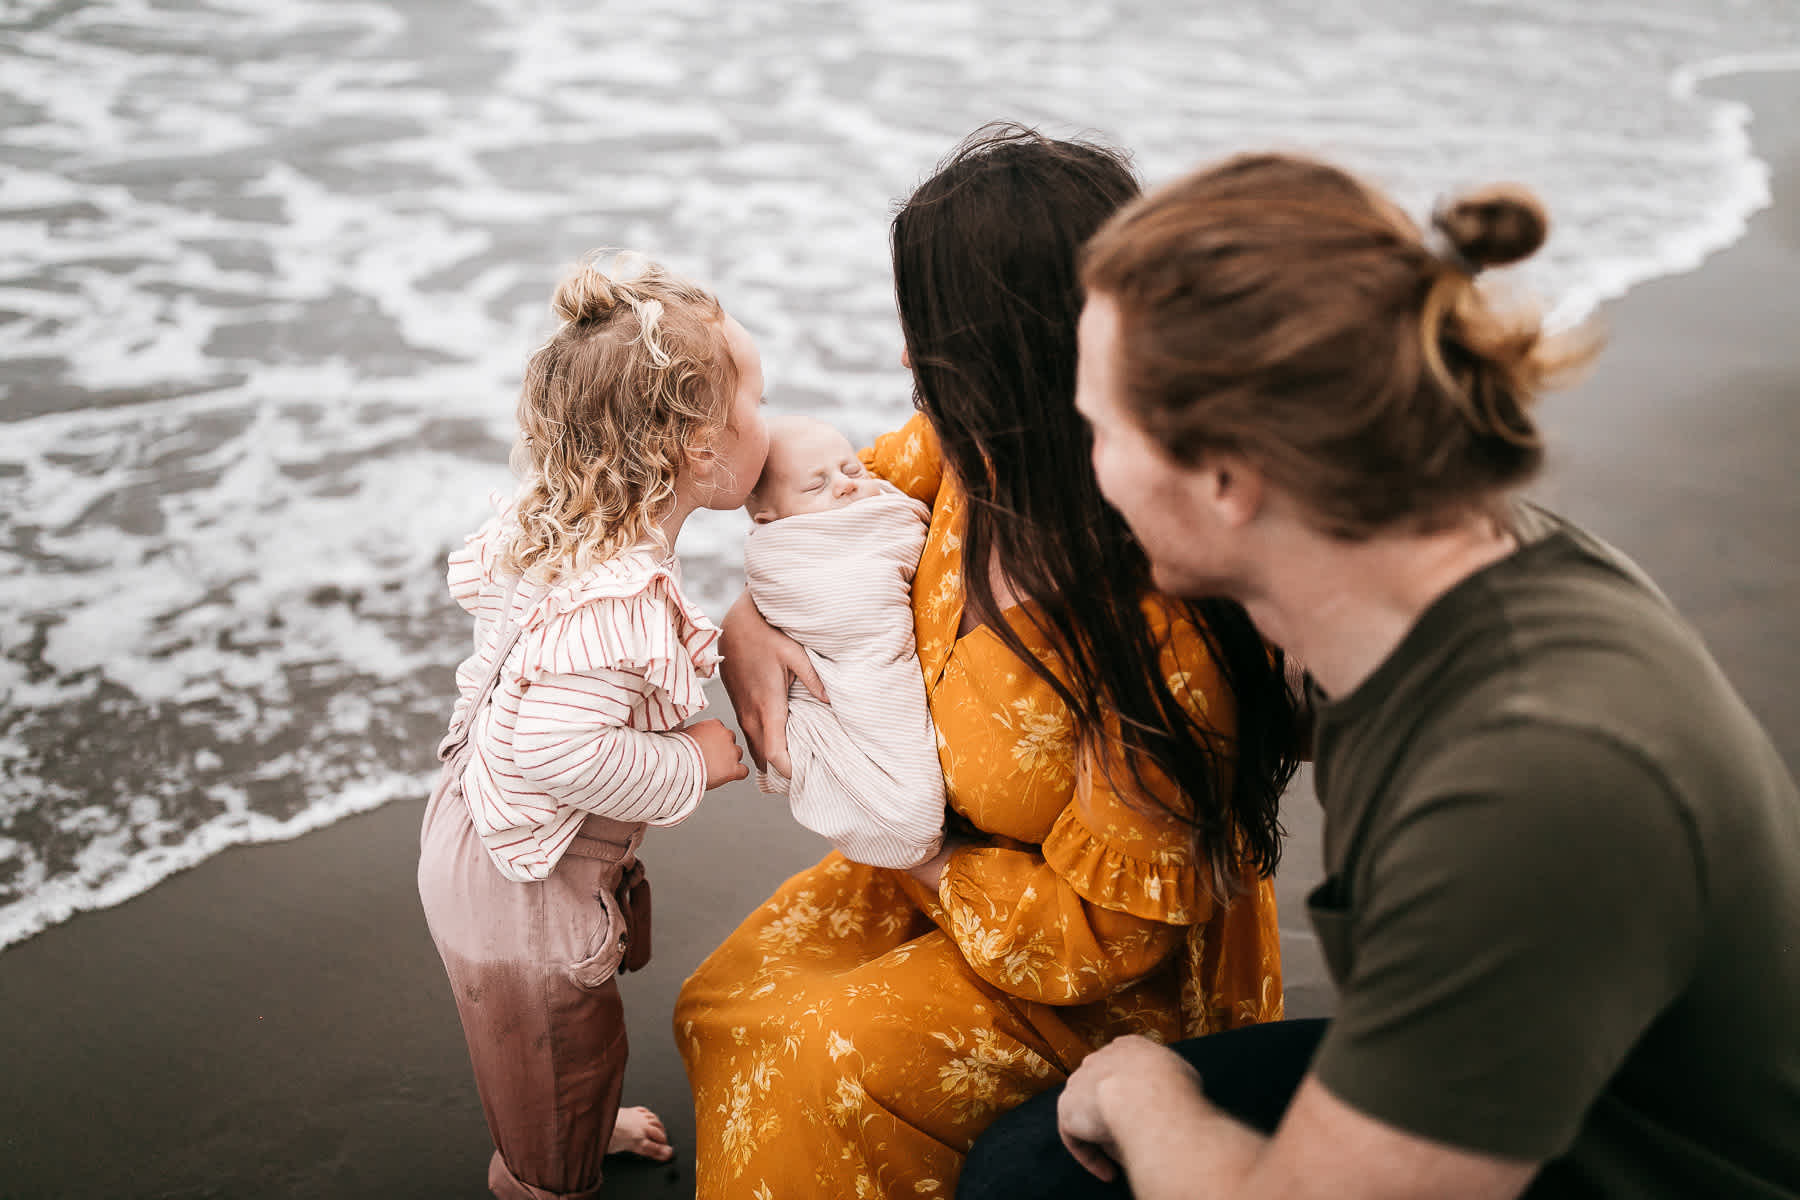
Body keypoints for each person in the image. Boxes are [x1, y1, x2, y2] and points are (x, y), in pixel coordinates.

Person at [960, 153, 1800, 1199]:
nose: (1085, 466)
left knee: (1051, 1162)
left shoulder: (1531, 785)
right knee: (1028, 1162)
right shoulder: (1414, 556)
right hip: (1552, 1092)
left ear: (1226, 477)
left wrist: (1140, 1090)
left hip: (1638, 1168)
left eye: (1101, 431)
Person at [673, 125, 1303, 1198]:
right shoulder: (963, 456)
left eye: (929, 333)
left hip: (1094, 972)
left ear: (1010, 356)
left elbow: (1111, 942)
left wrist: (913, 853)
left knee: (811, 1056)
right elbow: (808, 517)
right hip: (948, 873)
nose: (906, 363)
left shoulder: (1161, 616)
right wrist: (745, 622)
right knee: (724, 1001)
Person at [418, 254, 762, 1199]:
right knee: (557, 1057)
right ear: (698, 448)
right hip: (520, 895)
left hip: (479, 827)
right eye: (758, 404)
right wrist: (696, 760)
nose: (768, 426)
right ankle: (542, 1176)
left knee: (552, 1050)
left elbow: (491, 601)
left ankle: (569, 1123)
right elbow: (556, 748)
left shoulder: (562, 523)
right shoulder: (621, 598)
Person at [743, 412, 947, 869]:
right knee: (908, 811)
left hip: (876, 663)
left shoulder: (879, 505)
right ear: (769, 520)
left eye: (851, 469)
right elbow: (837, 607)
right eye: (816, 487)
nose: (846, 484)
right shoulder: (790, 553)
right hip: (848, 663)